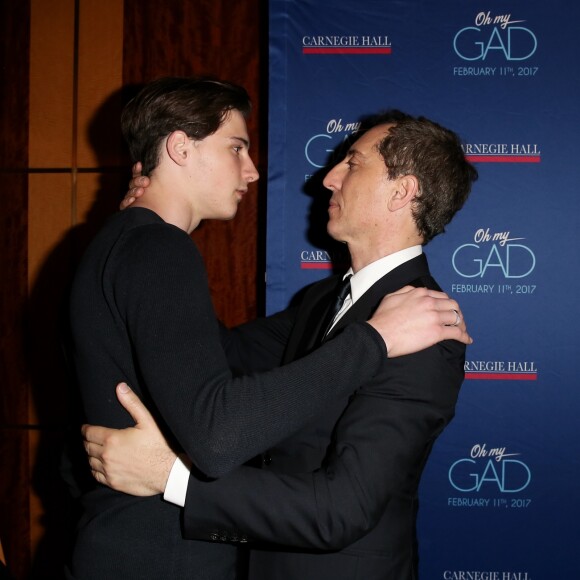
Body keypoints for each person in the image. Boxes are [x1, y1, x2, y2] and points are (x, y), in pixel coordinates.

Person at [68, 76, 470, 580]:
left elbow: (339, 510)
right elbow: (204, 352)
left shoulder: (427, 328)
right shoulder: (325, 300)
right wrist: (153, 228)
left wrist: (169, 474)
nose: (327, 177)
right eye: (236, 147)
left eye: (353, 162)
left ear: (403, 191)